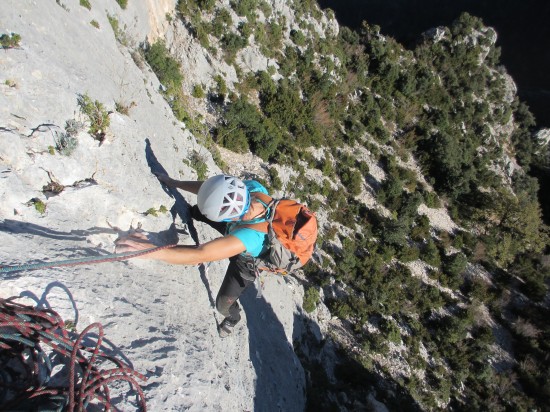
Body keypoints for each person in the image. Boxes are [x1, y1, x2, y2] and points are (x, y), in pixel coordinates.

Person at [115, 174, 271, 338]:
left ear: (230, 217)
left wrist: (151, 250)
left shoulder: (250, 236)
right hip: (236, 227)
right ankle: (199, 214)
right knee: (198, 211)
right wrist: (175, 183)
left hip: (245, 261)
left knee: (222, 304)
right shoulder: (252, 189)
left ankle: (233, 317)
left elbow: (200, 254)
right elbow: (211, 190)